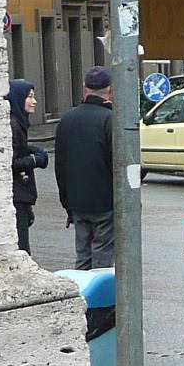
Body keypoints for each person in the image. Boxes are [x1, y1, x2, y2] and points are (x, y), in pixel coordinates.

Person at [55, 66, 115, 270]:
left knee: (82, 256)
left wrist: (67, 203)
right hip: (105, 203)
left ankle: (83, 289)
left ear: (84, 88)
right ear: (110, 90)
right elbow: (117, 164)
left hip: (77, 202)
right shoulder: (110, 119)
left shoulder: (66, 120)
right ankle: (101, 291)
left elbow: (60, 167)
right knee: (102, 257)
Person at [7, 79, 48, 254]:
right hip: (17, 196)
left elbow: (17, 150)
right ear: (18, 98)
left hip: (21, 196)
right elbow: (11, 161)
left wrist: (31, 150)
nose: (34, 101)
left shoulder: (19, 123)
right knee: (22, 249)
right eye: (29, 97)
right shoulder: (14, 125)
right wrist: (35, 160)